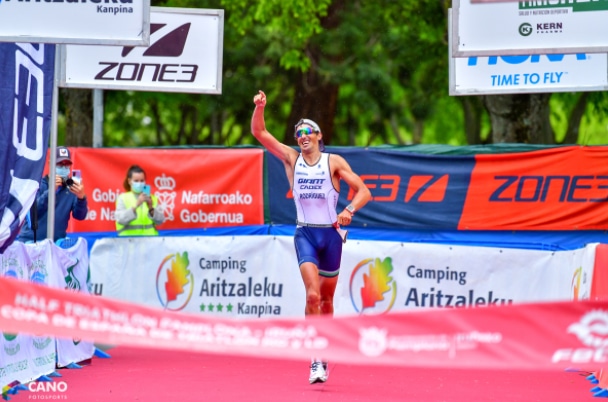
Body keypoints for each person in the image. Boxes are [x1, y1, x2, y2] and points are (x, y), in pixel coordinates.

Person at [251, 90, 372, 384]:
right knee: (313, 294)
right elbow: (260, 132)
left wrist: (349, 210)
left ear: (318, 135)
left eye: (307, 131)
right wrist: (260, 107)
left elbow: (365, 191)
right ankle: (315, 356)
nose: (302, 135)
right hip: (304, 233)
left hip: (331, 236)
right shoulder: (292, 159)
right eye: (297, 133)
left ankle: (324, 347)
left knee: (328, 301)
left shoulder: (333, 162)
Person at [18, 146, 88, 243]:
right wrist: (51, 191)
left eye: (67, 164)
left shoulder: (71, 187)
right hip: (32, 241)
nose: (64, 168)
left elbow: (80, 216)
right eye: (59, 164)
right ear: (50, 164)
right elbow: (32, 213)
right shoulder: (37, 184)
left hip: (56, 242)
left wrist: (81, 198)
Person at [115, 165, 165, 236]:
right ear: (129, 181)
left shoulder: (153, 198)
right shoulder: (122, 198)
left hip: (151, 242)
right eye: (136, 181)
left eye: (142, 181)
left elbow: (160, 221)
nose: (139, 183)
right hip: (129, 242)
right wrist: (136, 205)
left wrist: (151, 208)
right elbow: (120, 220)